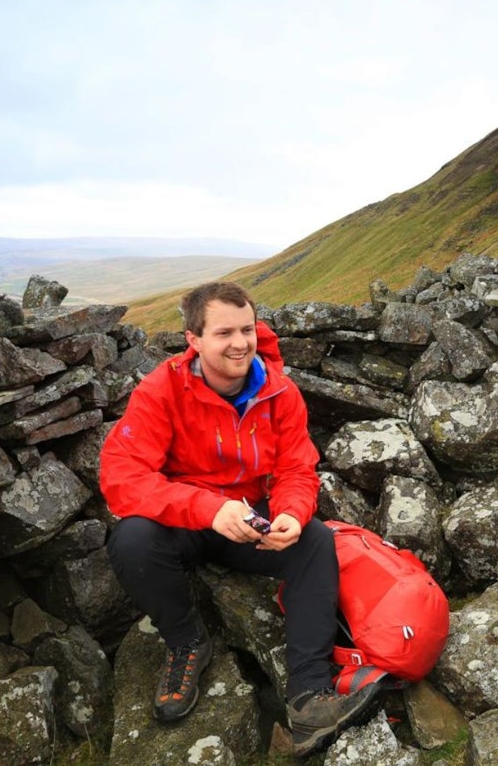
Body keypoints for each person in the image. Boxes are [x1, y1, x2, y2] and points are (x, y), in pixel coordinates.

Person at [100, 281, 380, 756]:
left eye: (247, 329)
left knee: (314, 541)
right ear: (194, 340)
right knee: (131, 540)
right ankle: (188, 643)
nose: (240, 343)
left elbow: (296, 468)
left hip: (249, 521)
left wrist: (291, 512)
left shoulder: (279, 391)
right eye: (224, 332)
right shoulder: (161, 390)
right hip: (187, 521)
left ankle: (308, 696)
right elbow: (120, 477)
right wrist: (207, 508)